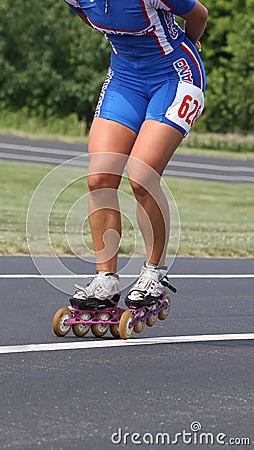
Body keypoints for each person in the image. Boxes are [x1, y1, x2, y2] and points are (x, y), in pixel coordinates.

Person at [62, 0, 208, 310]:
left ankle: (153, 273)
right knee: (99, 178)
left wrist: (192, 42)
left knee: (141, 176)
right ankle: (105, 279)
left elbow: (199, 14)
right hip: (124, 78)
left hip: (175, 76)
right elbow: (85, 15)